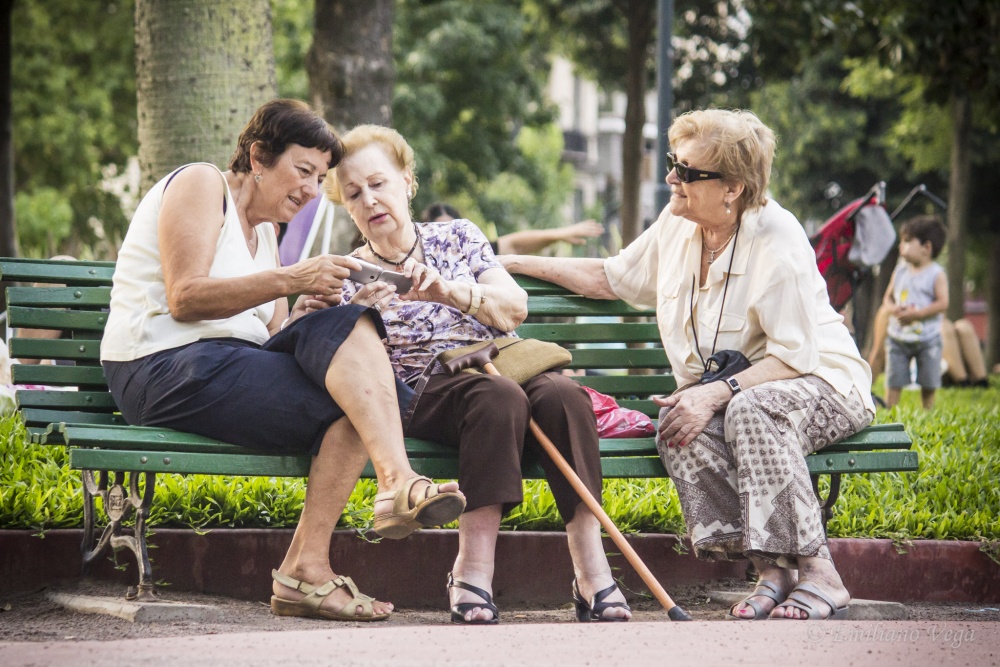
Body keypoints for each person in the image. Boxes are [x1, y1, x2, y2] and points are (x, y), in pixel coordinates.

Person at [99, 100, 465, 623]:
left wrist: (308, 313)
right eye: (303, 171)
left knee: (358, 393)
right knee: (358, 388)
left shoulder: (266, 234)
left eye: (319, 179)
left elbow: (271, 339)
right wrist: (292, 279)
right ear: (258, 157)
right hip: (158, 365)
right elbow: (184, 297)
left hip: (223, 367)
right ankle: (397, 484)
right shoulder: (202, 184)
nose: (312, 191)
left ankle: (306, 570)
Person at [502, 109, 876, 621]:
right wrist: (507, 263)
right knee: (679, 428)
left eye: (688, 172)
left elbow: (795, 357)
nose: (671, 178)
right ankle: (772, 572)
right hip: (743, 388)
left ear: (734, 189)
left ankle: (820, 574)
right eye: (675, 163)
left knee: (751, 412)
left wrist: (714, 393)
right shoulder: (679, 225)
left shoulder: (778, 239)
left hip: (820, 379)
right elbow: (611, 278)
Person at [325, 125, 631, 624]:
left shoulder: (459, 236)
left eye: (378, 183)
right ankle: (472, 569)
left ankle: (591, 568)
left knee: (564, 396)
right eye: (354, 193)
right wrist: (355, 313)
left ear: (407, 181)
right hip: (425, 390)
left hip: (498, 360)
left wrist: (450, 291)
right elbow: (333, 354)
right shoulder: (347, 273)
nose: (369, 200)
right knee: (497, 398)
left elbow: (515, 307)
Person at [879, 215, 949, 409]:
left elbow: (943, 303)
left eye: (907, 241)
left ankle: (928, 411)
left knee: (928, 381)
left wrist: (916, 315)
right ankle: (890, 411)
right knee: (894, 380)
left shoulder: (936, 274)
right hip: (898, 338)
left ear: (926, 247)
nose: (901, 246)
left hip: (928, 339)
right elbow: (887, 298)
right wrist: (895, 310)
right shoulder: (900, 271)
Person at [421, 202, 604, 255]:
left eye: (450, 227)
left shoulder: (470, 252)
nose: (445, 233)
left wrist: (559, 234)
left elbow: (515, 244)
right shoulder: (416, 257)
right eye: (439, 227)